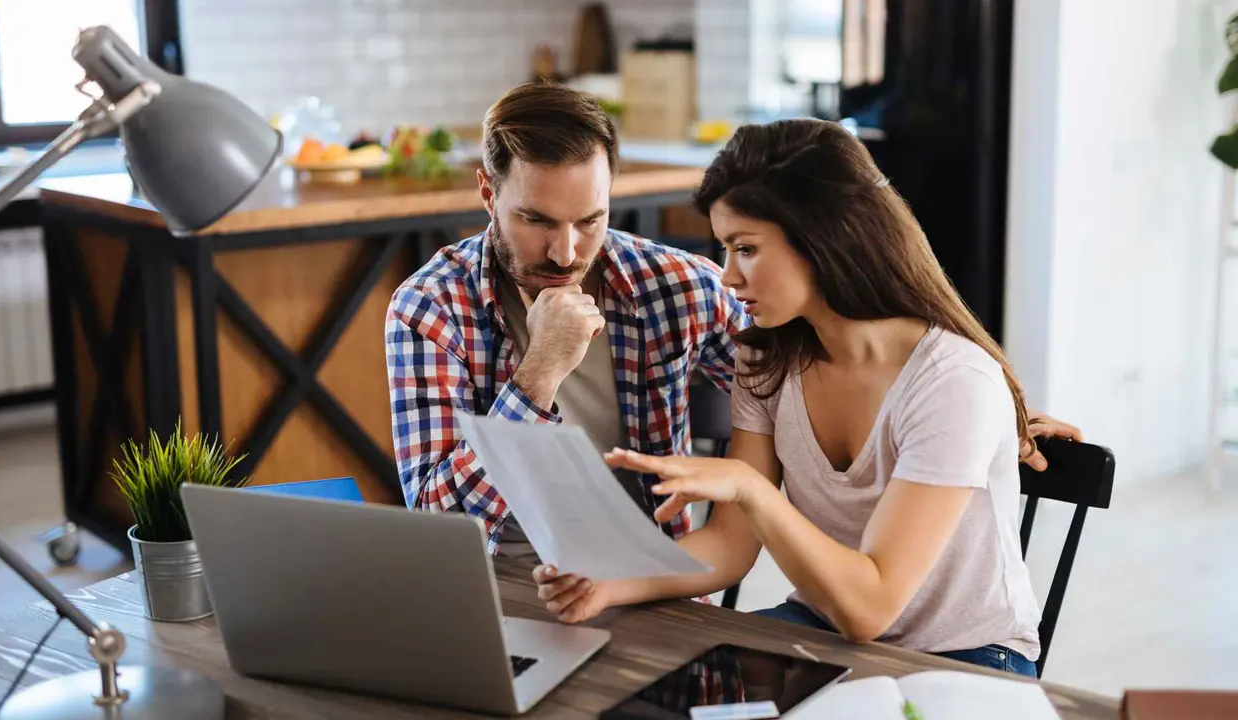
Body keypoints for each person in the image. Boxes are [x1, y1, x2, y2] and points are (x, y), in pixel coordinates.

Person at [532, 118, 1083, 678]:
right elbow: (729, 546)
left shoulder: (954, 381)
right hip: (821, 629)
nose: (727, 277)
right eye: (725, 249)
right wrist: (609, 582)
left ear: (824, 237)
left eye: (745, 248)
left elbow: (869, 608)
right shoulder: (766, 359)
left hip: (966, 658)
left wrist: (751, 490)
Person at [385, 81, 747, 559]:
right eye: (537, 221)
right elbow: (440, 526)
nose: (566, 253)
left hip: (652, 583)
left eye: (589, 221)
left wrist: (729, 525)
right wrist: (538, 375)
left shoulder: (679, 285)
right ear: (488, 194)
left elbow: (793, 403)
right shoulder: (431, 307)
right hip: (500, 584)